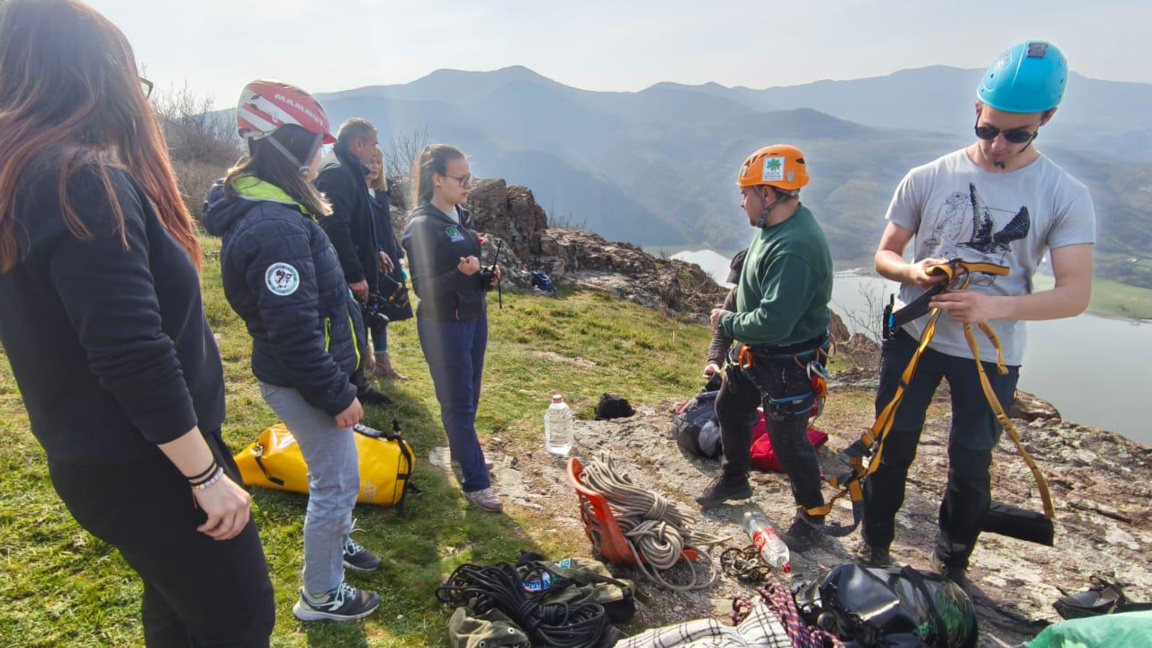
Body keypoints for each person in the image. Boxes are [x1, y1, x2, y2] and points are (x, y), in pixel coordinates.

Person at [0, 1, 274, 645]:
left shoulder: (20, 177)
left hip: (96, 458)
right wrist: (205, 475)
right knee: (237, 620)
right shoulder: (80, 178)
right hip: (154, 464)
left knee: (179, 611)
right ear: (94, 79)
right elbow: (129, 350)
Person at [858, 41, 1095, 588]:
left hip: (989, 350)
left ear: (1047, 121)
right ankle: (875, 543)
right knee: (893, 444)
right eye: (988, 129)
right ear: (976, 112)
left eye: (1017, 134)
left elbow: (1075, 293)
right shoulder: (928, 176)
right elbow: (885, 254)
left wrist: (994, 306)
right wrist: (913, 274)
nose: (997, 145)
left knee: (970, 462)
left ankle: (953, 562)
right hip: (915, 334)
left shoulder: (1063, 193)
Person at [202, 80, 382, 622]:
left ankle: (337, 540)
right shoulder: (275, 224)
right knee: (337, 481)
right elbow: (294, 331)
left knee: (341, 476)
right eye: (315, 143)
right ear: (289, 145)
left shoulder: (277, 206)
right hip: (303, 379)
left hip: (310, 373)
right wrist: (335, 393)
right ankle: (320, 596)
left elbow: (311, 309)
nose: (321, 154)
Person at [698, 145, 834, 553]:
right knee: (730, 407)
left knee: (788, 442)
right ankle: (735, 478)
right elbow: (749, 294)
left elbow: (775, 321)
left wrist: (727, 323)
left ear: (769, 195)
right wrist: (723, 348)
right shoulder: (774, 231)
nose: (742, 202)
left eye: (747, 193)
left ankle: (812, 516)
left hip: (788, 360)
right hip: (760, 354)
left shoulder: (795, 247)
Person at [402, 145, 503, 512]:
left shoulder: (462, 215)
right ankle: (477, 483)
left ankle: (465, 455)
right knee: (457, 404)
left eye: (469, 177)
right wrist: (459, 274)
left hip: (474, 318)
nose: (468, 185)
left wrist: (484, 278)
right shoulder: (422, 226)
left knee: (469, 396)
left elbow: (469, 272)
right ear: (437, 179)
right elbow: (421, 287)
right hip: (444, 325)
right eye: (461, 179)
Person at [314, 118, 393, 406]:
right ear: (358, 143)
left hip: (357, 262)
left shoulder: (346, 168)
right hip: (344, 271)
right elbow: (336, 228)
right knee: (348, 330)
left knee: (357, 327)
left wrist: (374, 252)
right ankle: (354, 388)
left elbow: (356, 222)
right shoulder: (338, 172)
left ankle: (359, 384)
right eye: (373, 143)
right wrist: (355, 275)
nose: (375, 150)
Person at [365, 145, 410, 381]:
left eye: (378, 162)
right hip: (368, 260)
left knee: (383, 311)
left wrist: (397, 254)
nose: (374, 166)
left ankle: (383, 364)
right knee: (367, 311)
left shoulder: (381, 193)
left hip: (388, 261)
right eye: (370, 161)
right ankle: (366, 362)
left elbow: (385, 228)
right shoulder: (357, 193)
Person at [702, 249, 748, 387]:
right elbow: (722, 331)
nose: (740, 286)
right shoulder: (736, 293)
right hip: (745, 361)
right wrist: (714, 362)